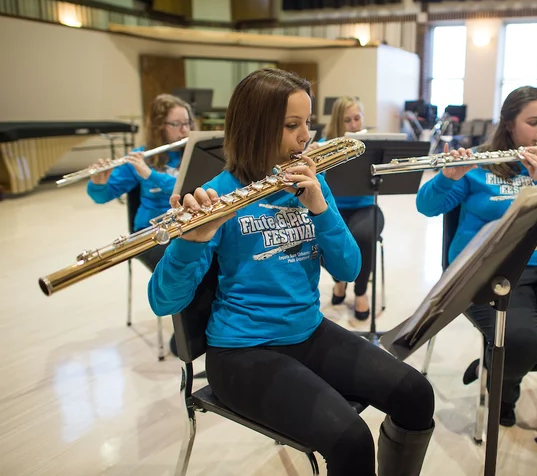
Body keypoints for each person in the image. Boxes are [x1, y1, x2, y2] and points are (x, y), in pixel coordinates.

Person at [147, 68, 435, 475]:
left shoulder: (307, 181)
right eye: (291, 125)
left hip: (308, 330)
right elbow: (163, 301)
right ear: (256, 128)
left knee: (416, 393)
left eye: (307, 123)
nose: (306, 136)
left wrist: (319, 206)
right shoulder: (218, 195)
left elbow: (349, 268)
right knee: (351, 439)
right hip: (242, 352)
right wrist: (192, 240)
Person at [416, 86, 537, 427]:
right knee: (521, 344)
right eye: (534, 122)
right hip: (488, 270)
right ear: (509, 124)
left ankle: (496, 365)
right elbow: (427, 207)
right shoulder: (479, 163)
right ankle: (505, 383)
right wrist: (447, 177)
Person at [87, 93, 194, 268]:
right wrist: (99, 184)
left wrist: (151, 175)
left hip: (190, 223)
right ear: (159, 127)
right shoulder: (139, 159)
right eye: (176, 124)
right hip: (152, 232)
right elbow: (101, 197)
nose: (185, 130)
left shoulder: (195, 150)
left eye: (187, 123)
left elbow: (189, 188)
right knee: (179, 267)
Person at [320, 96, 383, 320]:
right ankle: (339, 281)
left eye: (357, 118)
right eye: (348, 120)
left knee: (364, 235)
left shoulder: (371, 147)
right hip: (331, 208)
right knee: (316, 235)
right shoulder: (321, 147)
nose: (354, 125)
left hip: (365, 207)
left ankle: (360, 292)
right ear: (338, 122)